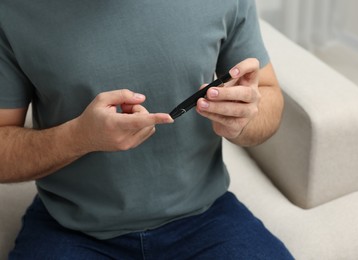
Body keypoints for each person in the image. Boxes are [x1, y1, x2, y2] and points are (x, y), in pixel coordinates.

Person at [0, 0, 293, 259]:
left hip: (207, 217)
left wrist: (244, 118)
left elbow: (269, 97)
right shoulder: (11, 11)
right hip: (71, 228)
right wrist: (79, 138)